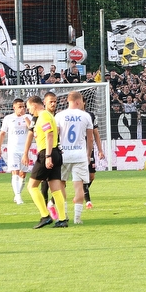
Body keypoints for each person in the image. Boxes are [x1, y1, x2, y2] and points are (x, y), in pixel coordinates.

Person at [23, 95, 67, 228]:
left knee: (31, 186)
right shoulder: (47, 116)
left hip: (47, 153)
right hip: (55, 152)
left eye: (29, 107)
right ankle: (62, 219)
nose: (29, 110)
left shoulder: (43, 116)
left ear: (34, 105)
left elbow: (49, 135)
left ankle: (45, 215)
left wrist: (48, 156)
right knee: (55, 188)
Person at [55, 91, 93, 225]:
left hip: (64, 154)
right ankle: (77, 218)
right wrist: (88, 155)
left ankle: (63, 214)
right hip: (79, 155)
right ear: (78, 101)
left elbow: (55, 135)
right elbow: (90, 138)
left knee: (60, 185)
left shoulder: (59, 116)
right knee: (79, 187)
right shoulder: (85, 116)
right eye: (82, 101)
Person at [0, 98, 33, 204]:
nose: (22, 108)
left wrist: (24, 117)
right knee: (15, 172)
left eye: (23, 106)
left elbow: (32, 129)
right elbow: (2, 133)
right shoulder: (8, 118)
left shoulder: (28, 117)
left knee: (23, 174)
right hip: (13, 149)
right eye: (20, 107)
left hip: (25, 150)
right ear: (14, 107)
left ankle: (18, 194)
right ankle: (18, 196)